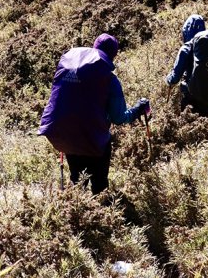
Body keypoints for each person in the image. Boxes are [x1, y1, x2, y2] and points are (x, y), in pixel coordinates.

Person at [39, 33, 149, 193]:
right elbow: (119, 118)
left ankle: (77, 209)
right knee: (99, 185)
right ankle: (101, 206)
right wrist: (138, 109)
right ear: (113, 55)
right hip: (94, 142)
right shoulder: (110, 80)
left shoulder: (70, 68)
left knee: (77, 181)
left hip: (65, 138)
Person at [165, 14, 208, 117]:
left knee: (188, 122)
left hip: (191, 93)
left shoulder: (186, 48)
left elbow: (175, 77)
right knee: (205, 121)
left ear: (186, 30)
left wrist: (168, 80)